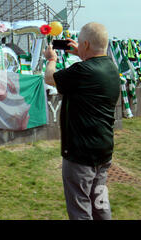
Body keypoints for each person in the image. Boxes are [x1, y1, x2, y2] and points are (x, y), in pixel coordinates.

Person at [43, 22, 120, 220]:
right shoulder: (111, 68)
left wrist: (51, 59)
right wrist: (81, 52)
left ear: (85, 44)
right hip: (103, 153)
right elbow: (95, 62)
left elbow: (50, 78)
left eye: (80, 44)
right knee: (100, 203)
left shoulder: (83, 71)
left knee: (80, 209)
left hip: (80, 156)